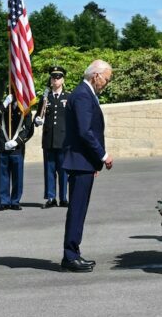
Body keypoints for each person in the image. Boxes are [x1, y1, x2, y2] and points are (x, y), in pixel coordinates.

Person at [60, 59, 114, 272]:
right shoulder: (83, 95)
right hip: (80, 162)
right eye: (106, 79)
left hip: (84, 163)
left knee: (79, 209)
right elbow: (85, 132)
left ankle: (74, 253)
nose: (106, 84)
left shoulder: (85, 93)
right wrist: (102, 156)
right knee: (77, 209)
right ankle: (70, 255)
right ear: (96, 75)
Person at [33, 65, 71, 209]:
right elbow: (38, 116)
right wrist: (37, 120)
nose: (55, 80)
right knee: (49, 171)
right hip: (48, 140)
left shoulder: (68, 97)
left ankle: (63, 198)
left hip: (63, 140)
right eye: (53, 77)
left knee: (63, 171)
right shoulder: (45, 98)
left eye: (58, 77)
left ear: (63, 79)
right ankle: (50, 198)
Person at [0, 94, 34, 211]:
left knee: (17, 176)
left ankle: (15, 201)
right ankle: (3, 201)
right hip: (3, 145)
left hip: (17, 148)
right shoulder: (5, 105)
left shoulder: (25, 108)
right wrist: (4, 104)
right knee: (3, 175)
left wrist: (17, 141)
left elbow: (29, 128)